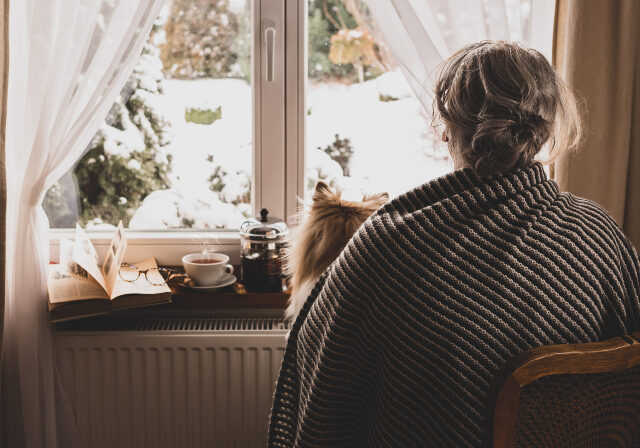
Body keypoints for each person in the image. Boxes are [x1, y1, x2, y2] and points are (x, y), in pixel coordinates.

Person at [268, 41, 640, 447]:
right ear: (543, 129)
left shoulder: (390, 245)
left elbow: (326, 391)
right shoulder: (599, 232)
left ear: (445, 129)